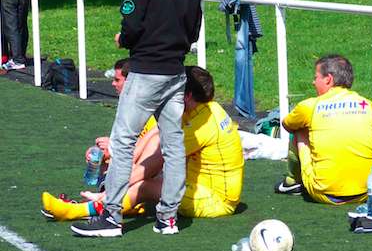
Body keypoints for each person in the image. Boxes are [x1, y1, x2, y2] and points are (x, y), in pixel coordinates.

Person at [70, 0, 202, 238]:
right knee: (173, 147)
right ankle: (168, 217)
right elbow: (194, 29)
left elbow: (131, 26)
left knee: (123, 141)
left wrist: (124, 39)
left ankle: (111, 216)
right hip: (176, 72)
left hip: (145, 71)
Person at [43, 66, 244, 220]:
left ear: (187, 94)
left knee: (147, 185)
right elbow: (154, 135)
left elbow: (157, 160)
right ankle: (121, 200)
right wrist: (117, 158)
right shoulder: (201, 110)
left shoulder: (204, 125)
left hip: (216, 200)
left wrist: (117, 185)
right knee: (154, 147)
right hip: (197, 184)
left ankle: (78, 210)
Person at [275, 54, 372, 205]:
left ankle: (292, 181)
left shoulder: (309, 106)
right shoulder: (369, 105)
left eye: (316, 77)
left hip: (324, 193)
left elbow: (287, 125)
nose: (313, 82)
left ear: (328, 79)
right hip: (366, 192)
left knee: (299, 128)